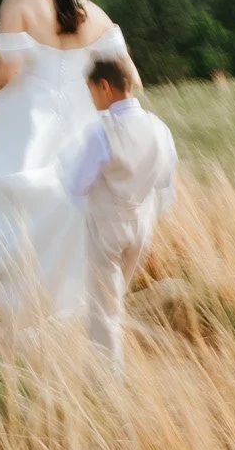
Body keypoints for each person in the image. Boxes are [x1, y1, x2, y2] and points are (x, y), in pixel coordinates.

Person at [0, 0, 134, 325]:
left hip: (27, 127)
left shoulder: (18, 3)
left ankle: (23, 304)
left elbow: (7, 72)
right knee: (71, 211)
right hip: (82, 128)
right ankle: (72, 306)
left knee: (15, 209)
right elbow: (131, 82)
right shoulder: (97, 15)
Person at [67, 54, 178, 372]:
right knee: (115, 302)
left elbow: (78, 185)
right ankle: (115, 370)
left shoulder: (101, 133)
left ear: (104, 86)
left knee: (103, 309)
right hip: (142, 226)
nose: (92, 99)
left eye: (91, 90)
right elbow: (165, 180)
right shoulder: (159, 128)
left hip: (107, 227)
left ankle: (107, 385)